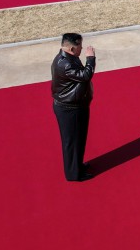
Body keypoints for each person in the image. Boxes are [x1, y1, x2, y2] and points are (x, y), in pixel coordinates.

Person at [51, 32, 96, 182]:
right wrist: (90, 58)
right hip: (70, 109)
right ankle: (73, 174)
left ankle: (77, 166)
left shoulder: (69, 58)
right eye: (79, 47)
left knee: (79, 139)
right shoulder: (65, 64)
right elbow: (85, 75)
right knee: (71, 142)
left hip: (77, 106)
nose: (82, 48)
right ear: (71, 48)